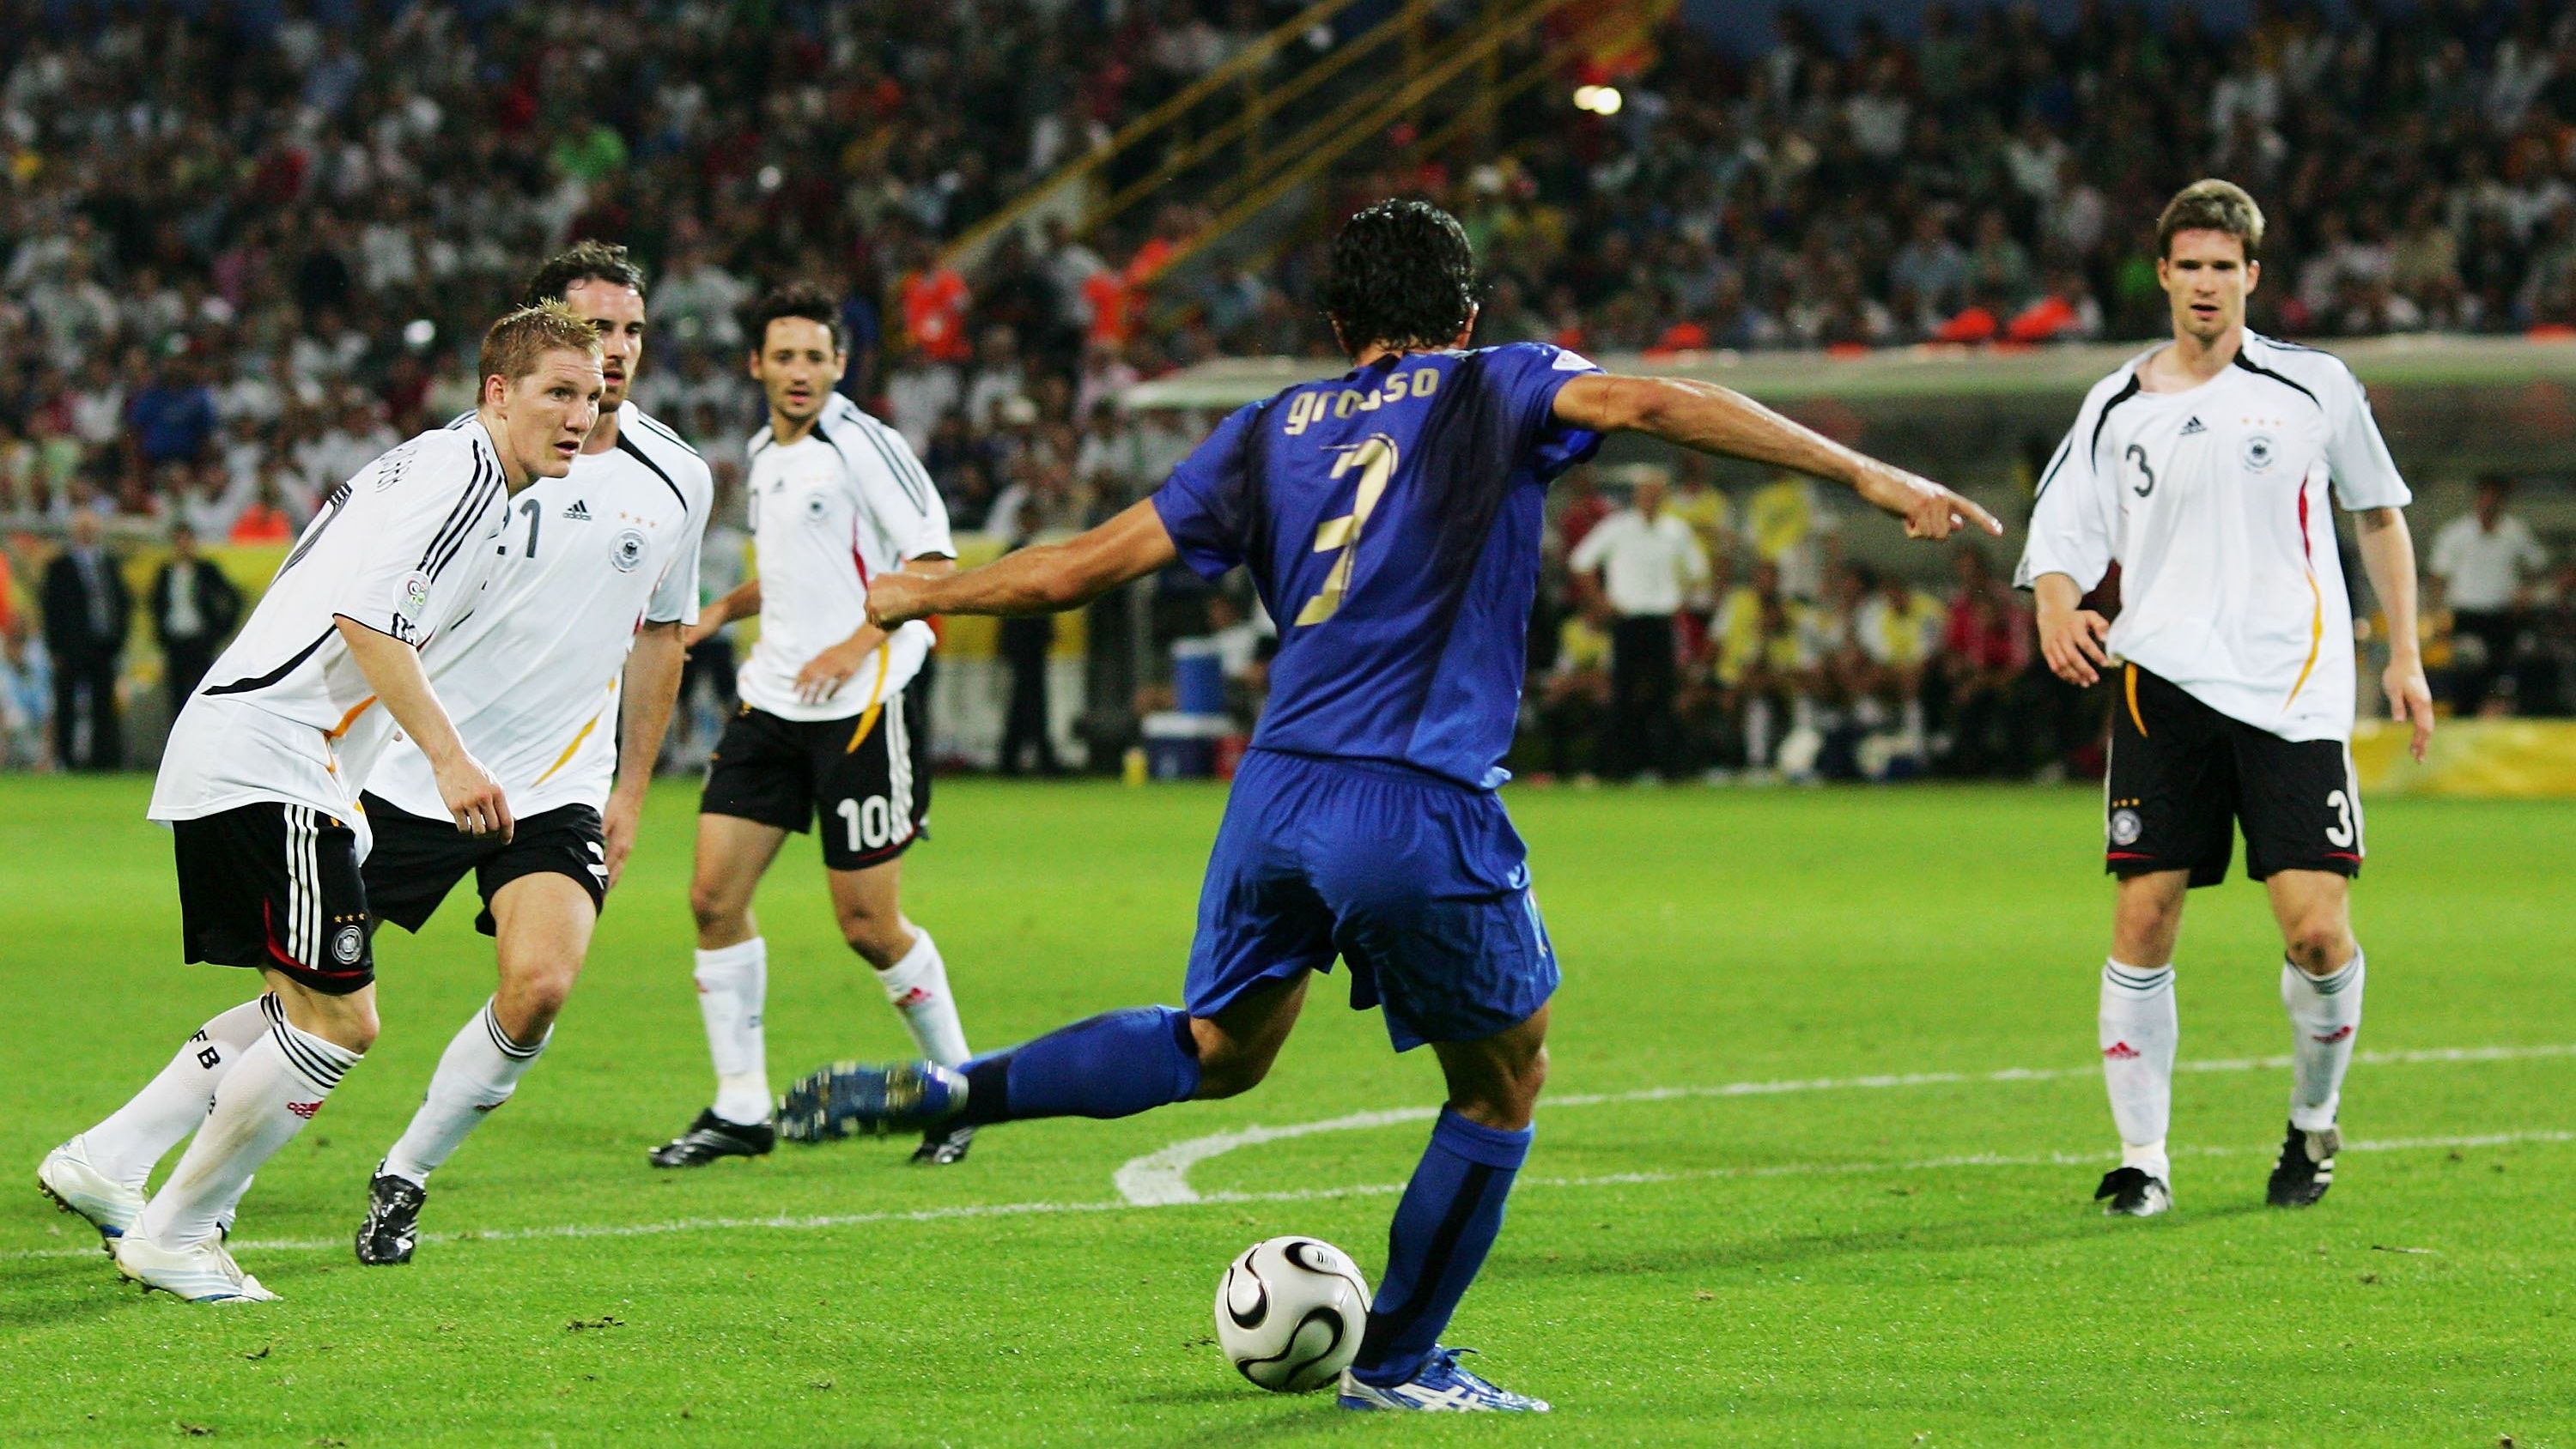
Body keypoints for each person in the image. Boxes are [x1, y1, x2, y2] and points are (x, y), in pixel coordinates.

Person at [775, 200, 1993, 1412]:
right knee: (1502, 1082)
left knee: (1221, 1048)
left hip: (1276, 790)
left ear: (1339, 321)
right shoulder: (1492, 383)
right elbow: (1648, 402)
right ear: (1467, 315)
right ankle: (1399, 1362)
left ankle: (958, 1089)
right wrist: (1861, 470)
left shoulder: (1266, 431)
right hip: (1411, 795)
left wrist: (918, 596)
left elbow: (1082, 567)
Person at [36, 302, 603, 1302]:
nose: (578, 415)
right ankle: (180, 1226)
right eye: (558, 392)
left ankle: (113, 1157)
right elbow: (368, 620)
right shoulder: (467, 481)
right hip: (275, 754)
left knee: (300, 1003)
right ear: (498, 390)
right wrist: (452, 761)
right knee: (341, 1021)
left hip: (264, 751)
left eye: (592, 399)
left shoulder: (436, 466)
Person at [2018, 179, 2433, 1221]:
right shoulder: (2116, 401)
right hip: (2160, 684)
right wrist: (2057, 611)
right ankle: (2142, 1157)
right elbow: (2061, 539)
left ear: (2254, 275)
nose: (2206, 284)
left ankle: (2312, 1120)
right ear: (2162, 275)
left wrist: (2406, 655)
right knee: (2144, 913)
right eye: (2188, 265)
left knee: (2314, 933)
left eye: (2224, 266)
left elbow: (2378, 515)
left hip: (2291, 686)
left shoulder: (2315, 387)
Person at [349, 244, 713, 1264]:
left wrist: (629, 793)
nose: (616, 353)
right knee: (307, 983)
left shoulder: (679, 477)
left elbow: (659, 639)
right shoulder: (475, 461)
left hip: (556, 784)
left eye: (631, 331)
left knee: (542, 983)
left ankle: (405, 1173)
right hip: (410, 772)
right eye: (596, 330)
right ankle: (179, 1161)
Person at [651, 282, 976, 1170]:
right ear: (757, 364)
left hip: (865, 702)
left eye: (814, 357)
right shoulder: (763, 450)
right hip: (774, 702)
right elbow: (797, 568)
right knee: (713, 897)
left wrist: (858, 640)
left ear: (841, 364)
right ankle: (741, 1106)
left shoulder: (863, 443)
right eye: (782, 356)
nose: (799, 372)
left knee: (870, 923)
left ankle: (964, 1088)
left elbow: (934, 563)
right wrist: (720, 609)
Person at [1567, 468, 1710, 779]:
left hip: (1661, 620)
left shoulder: (1676, 531)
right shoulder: (1618, 528)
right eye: (1646, 493)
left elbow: (1698, 571)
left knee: (1664, 696)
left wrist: (1679, 601)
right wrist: (1601, 602)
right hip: (1627, 619)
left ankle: (1669, 769)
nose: (1650, 498)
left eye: (1656, 493)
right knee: (1622, 695)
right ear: (1637, 496)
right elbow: (1581, 562)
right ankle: (1617, 768)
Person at [2427, 474, 2549, 714]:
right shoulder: (2456, 534)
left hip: (2502, 615)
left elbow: (2537, 565)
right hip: (2467, 614)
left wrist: (2526, 592)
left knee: (2499, 675)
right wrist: (2437, 613)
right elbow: (2439, 577)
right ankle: (2463, 716)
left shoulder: (2516, 533)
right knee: (2466, 671)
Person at [39, 509, 130, 769]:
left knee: (103, 705)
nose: (87, 532)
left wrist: (118, 636)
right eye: (82, 527)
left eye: (91, 527)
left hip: (104, 644)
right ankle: (66, 759)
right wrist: (55, 647)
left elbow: (121, 603)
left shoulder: (109, 564)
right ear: (74, 532)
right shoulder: (59, 567)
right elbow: (51, 609)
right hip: (71, 648)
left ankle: (102, 760)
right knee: (66, 703)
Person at [148, 521, 243, 709]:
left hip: (200, 640)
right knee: (177, 697)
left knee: (202, 694)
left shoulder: (206, 570)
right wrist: (161, 634)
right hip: (175, 641)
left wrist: (222, 629)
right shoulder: (165, 573)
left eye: (187, 540)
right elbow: (156, 605)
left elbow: (233, 596)